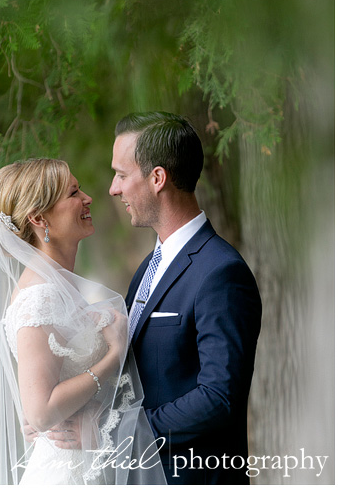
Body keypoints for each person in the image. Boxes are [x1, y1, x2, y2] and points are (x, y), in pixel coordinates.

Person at [0, 158, 166, 485]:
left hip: (92, 458)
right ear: (39, 218)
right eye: (73, 193)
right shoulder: (39, 297)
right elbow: (40, 412)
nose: (88, 198)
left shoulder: (61, 287)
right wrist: (113, 355)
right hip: (68, 471)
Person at [107, 112, 262, 483]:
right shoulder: (149, 267)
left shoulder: (220, 272)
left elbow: (218, 396)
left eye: (122, 174)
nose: (114, 188)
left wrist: (129, 433)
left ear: (157, 178)